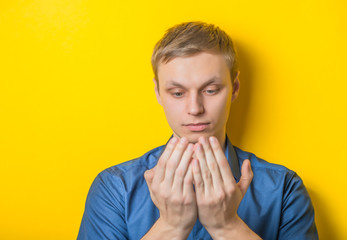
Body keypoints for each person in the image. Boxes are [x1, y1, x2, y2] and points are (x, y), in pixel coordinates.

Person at [77, 22, 318, 240]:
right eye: (178, 93)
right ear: (158, 93)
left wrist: (228, 227)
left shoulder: (283, 189)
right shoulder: (115, 187)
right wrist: (170, 227)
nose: (195, 109)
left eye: (211, 90)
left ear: (234, 88)